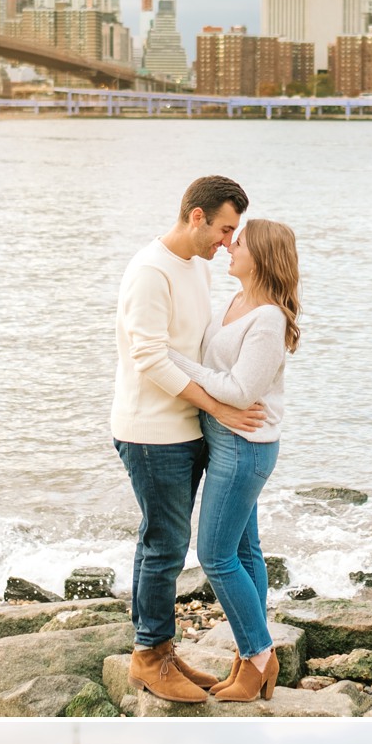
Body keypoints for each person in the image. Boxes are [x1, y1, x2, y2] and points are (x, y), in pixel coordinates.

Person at [111, 177, 268, 707]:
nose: (228, 242)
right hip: (152, 431)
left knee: (163, 541)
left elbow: (199, 349)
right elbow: (150, 357)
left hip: (188, 426)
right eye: (225, 229)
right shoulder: (151, 272)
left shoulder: (195, 268)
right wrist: (221, 406)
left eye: (235, 234)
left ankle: (161, 651)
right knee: (164, 546)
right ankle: (149, 658)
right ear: (197, 217)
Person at [167, 220, 298, 704]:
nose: (227, 247)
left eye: (236, 243)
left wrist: (170, 361)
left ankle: (260, 654)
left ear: (260, 255)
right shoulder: (234, 301)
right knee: (245, 554)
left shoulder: (268, 318)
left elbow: (242, 390)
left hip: (246, 446)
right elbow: (223, 377)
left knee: (215, 556)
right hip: (225, 440)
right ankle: (250, 659)